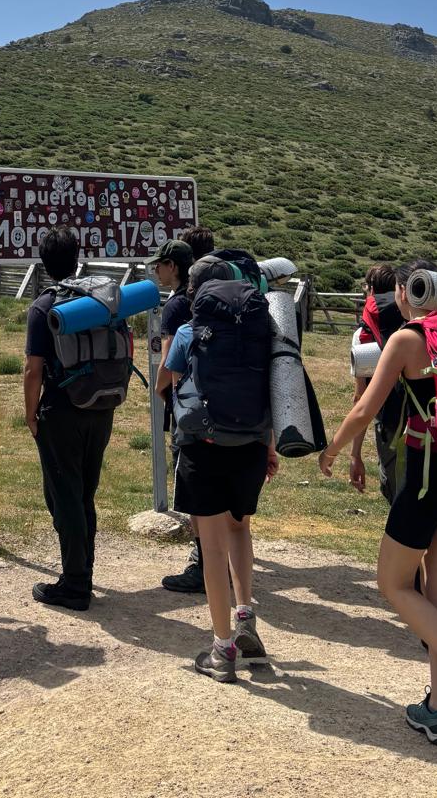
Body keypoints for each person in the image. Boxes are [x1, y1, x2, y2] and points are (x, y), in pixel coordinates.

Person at [319, 263, 437, 745]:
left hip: (429, 478)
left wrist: (335, 448)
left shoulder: (407, 340)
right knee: (436, 590)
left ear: (406, 291)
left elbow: (366, 407)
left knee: (393, 583)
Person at [158, 257, 279, 683]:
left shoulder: (190, 332)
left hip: (202, 448)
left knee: (210, 550)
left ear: (195, 291)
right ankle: (246, 618)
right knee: (240, 530)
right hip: (249, 446)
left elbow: (166, 381)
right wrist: (268, 444)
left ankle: (222, 648)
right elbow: (272, 389)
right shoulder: (260, 332)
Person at [24, 225, 115, 611]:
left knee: (64, 496)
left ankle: (75, 584)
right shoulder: (100, 298)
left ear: (44, 264)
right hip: (102, 407)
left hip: (61, 409)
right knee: (83, 493)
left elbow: (32, 369)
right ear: (77, 256)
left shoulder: (44, 306)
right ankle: (84, 570)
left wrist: (30, 414)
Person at [149, 239, 205, 593]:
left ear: (174, 266)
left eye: (160, 265)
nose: (156, 271)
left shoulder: (175, 307)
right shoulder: (207, 299)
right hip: (224, 406)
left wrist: (160, 392)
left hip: (188, 410)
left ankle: (201, 564)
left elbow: (170, 364)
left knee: (194, 489)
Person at [349, 264, 407, 503]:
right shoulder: (414, 323)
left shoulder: (363, 335)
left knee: (397, 494)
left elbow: (360, 399)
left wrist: (355, 454)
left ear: (370, 289)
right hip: (427, 420)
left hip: (391, 421)